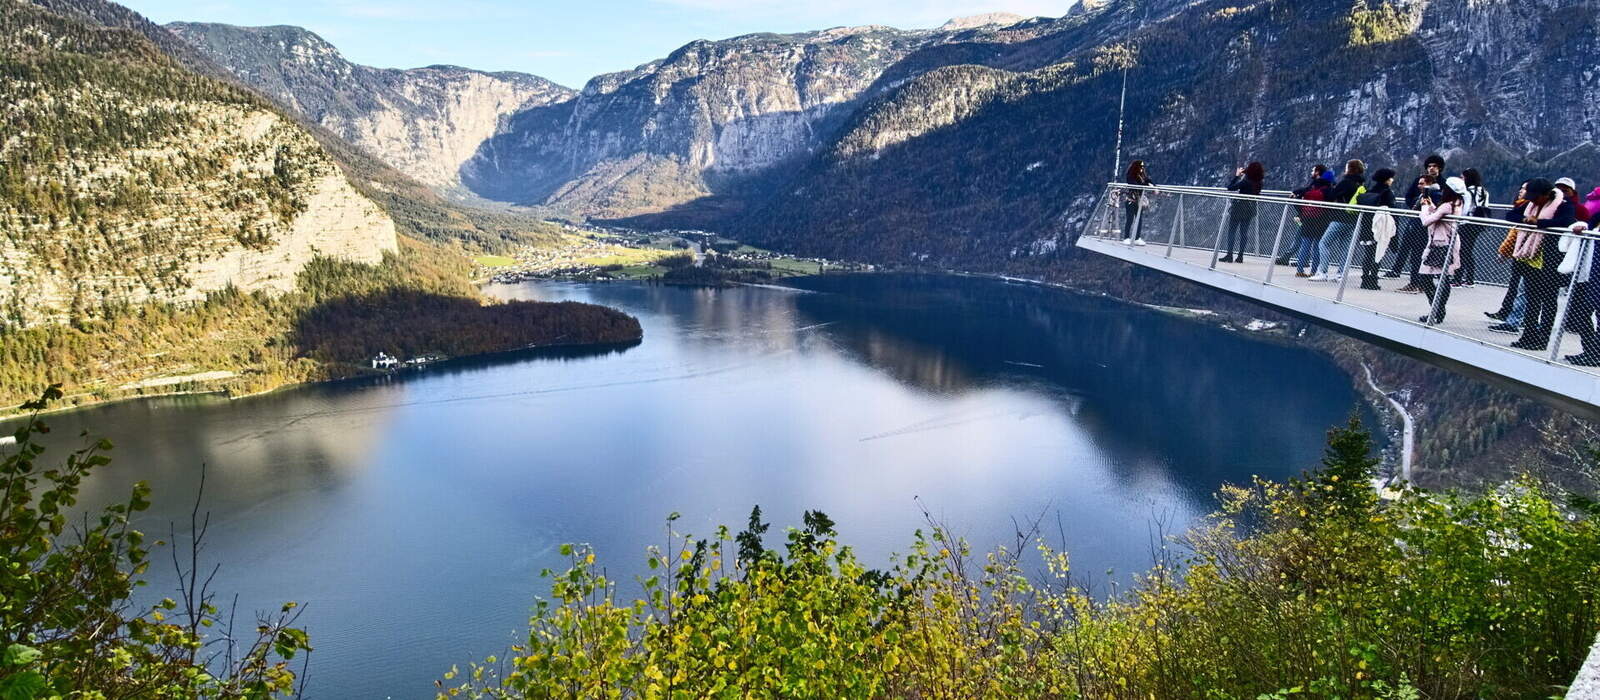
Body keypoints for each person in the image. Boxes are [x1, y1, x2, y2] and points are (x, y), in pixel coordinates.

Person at [1506, 178, 1576, 350]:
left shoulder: (1563, 205)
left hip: (1550, 260)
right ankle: (1528, 336)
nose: (1533, 200)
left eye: (1536, 197)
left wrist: (1539, 223)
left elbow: (1566, 221)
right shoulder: (1531, 205)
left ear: (1546, 195)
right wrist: (1525, 220)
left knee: (1548, 300)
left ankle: (1542, 339)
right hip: (1531, 259)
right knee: (1532, 299)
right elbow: (1511, 214)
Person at [1415, 177, 1466, 323]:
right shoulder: (1456, 203)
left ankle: (1436, 310)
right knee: (1443, 279)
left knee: (1427, 278)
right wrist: (1431, 205)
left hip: (1440, 245)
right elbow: (1438, 216)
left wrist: (1424, 207)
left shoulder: (1447, 205)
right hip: (1447, 243)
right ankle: (1437, 310)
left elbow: (1426, 221)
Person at [1392, 154, 1446, 290]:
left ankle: (1418, 282)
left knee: (1421, 253)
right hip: (1417, 219)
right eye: (1429, 166)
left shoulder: (1442, 184)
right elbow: (1408, 196)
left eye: (1434, 166)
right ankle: (1416, 280)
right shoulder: (1421, 181)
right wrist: (1414, 207)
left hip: (1427, 223)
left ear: (1439, 168)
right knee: (1413, 250)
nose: (1432, 168)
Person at [1487, 181, 1531, 333]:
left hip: (1525, 254)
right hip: (1521, 253)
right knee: (1519, 287)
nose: (1521, 191)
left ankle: (1514, 320)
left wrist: (1504, 251)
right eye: (1521, 188)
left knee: (1521, 288)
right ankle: (1511, 315)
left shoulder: (1528, 207)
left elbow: (1514, 232)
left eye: (1525, 189)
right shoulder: (1523, 206)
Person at [1312, 159, 1367, 281]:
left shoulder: (1346, 182)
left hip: (1340, 217)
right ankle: (1341, 274)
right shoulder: (1361, 184)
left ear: (1350, 169)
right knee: (1345, 247)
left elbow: (1332, 196)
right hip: (1353, 219)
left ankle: (1322, 272)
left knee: (1324, 243)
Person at [1280, 165, 1331, 265]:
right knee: (1304, 239)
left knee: (1302, 239)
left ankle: (1293, 259)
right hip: (1307, 217)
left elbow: (1306, 192)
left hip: (1307, 217)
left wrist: (1296, 196)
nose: (1311, 172)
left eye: (1313, 170)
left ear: (1317, 172)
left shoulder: (1316, 187)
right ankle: (1301, 260)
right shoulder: (1321, 186)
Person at [1356, 168, 1398, 290]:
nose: (1392, 180)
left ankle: (1364, 280)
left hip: (1368, 226)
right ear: (1386, 179)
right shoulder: (1387, 193)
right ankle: (1373, 280)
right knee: (1378, 254)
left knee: (1368, 254)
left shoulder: (1370, 191)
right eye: (1390, 178)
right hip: (1381, 227)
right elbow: (1392, 210)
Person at [1452, 168, 1491, 287]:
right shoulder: (1484, 192)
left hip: (1466, 223)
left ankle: (1457, 279)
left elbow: (1465, 210)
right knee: (1468, 251)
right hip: (1478, 224)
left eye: (1462, 177)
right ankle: (1469, 279)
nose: (1461, 180)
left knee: (1460, 250)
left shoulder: (1467, 192)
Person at [1221, 162, 1265, 263]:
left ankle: (1229, 255)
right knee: (1244, 233)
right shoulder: (1259, 183)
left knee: (1232, 231)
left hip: (1239, 208)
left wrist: (1237, 176)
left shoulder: (1245, 182)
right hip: (1250, 209)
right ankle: (1240, 256)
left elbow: (1230, 187)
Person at [1293, 171, 1334, 277]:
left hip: (1307, 219)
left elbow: (1299, 195)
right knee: (1317, 247)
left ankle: (1300, 270)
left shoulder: (1312, 187)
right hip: (1321, 221)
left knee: (1305, 245)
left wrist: (1301, 212)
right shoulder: (1328, 191)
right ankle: (1314, 271)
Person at [1122, 160, 1154, 246]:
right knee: (1130, 219)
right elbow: (1135, 185)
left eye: (1143, 167)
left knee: (1139, 219)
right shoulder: (1131, 175)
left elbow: (1147, 180)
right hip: (1131, 200)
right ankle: (1126, 238)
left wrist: (1152, 185)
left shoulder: (1142, 175)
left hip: (1138, 200)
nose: (1142, 168)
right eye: (1141, 166)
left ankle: (1137, 238)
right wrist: (1146, 185)